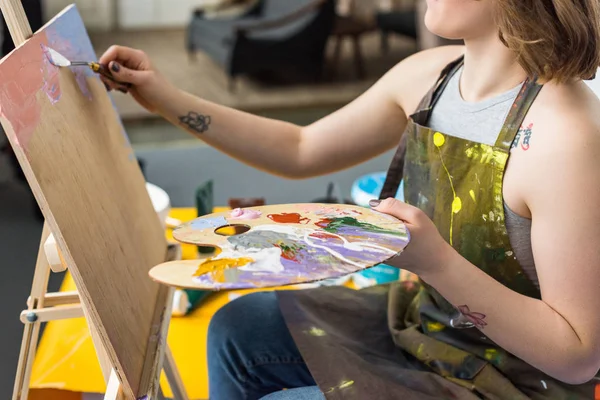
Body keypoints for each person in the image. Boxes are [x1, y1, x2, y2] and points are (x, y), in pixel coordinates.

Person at [99, 0, 600, 398]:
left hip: (511, 385)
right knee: (238, 329)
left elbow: (577, 355)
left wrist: (438, 264)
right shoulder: (431, 76)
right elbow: (300, 149)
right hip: (421, 328)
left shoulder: (565, 135)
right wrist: (162, 96)